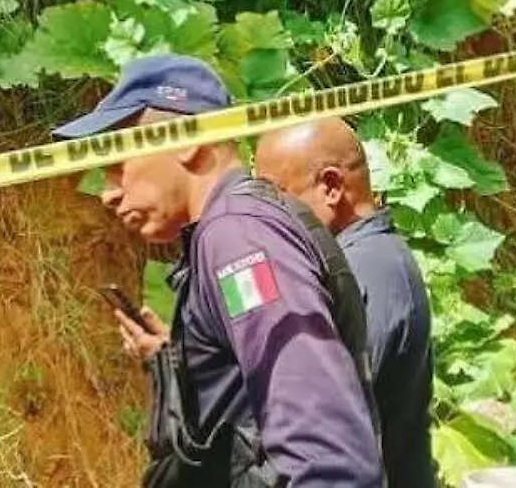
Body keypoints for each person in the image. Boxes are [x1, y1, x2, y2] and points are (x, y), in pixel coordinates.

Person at [54, 55, 383, 488]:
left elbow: (325, 451)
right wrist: (173, 357)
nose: (108, 194)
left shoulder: (238, 238)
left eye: (118, 166)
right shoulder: (232, 231)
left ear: (185, 140)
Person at [254, 119, 435, 488]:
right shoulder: (364, 261)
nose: (267, 219)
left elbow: (324, 419)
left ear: (331, 187)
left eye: (276, 198)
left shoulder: (366, 273)